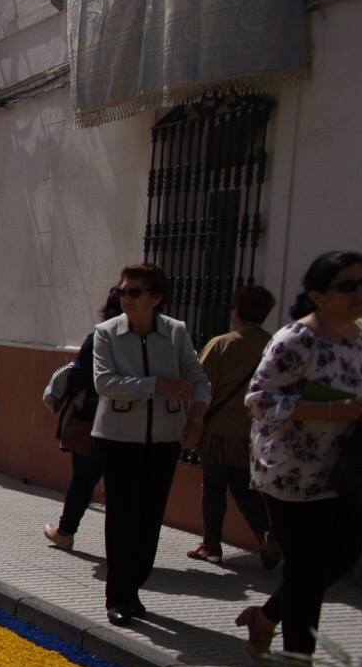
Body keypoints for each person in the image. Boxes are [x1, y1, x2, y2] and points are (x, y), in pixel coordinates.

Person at [240, 251, 362, 667]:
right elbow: (257, 401)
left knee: (342, 559)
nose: (359, 293)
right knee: (307, 569)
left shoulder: (359, 338)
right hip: (294, 474)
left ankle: (265, 618)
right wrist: (329, 410)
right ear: (318, 295)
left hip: (346, 473)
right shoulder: (296, 340)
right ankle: (299, 666)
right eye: (348, 286)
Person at [90, 263, 208, 626]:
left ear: (155, 298)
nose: (125, 298)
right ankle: (118, 595)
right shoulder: (107, 333)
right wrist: (156, 385)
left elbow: (197, 377)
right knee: (122, 517)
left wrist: (196, 418)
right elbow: (104, 383)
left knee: (150, 517)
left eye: (134, 292)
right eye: (122, 291)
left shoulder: (175, 332)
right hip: (117, 438)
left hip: (164, 439)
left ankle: (134, 587)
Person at [190, 285, 279, 566]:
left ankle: (211, 544)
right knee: (245, 489)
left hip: (219, 433)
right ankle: (266, 534)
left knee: (214, 488)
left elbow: (200, 384)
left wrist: (193, 422)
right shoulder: (274, 345)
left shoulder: (222, 344)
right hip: (252, 434)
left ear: (236, 311)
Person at [44, 289, 121, 552]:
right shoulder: (146, 342)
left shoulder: (100, 337)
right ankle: (121, 545)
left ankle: (65, 532)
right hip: (131, 424)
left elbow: (79, 375)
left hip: (93, 419)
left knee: (83, 480)